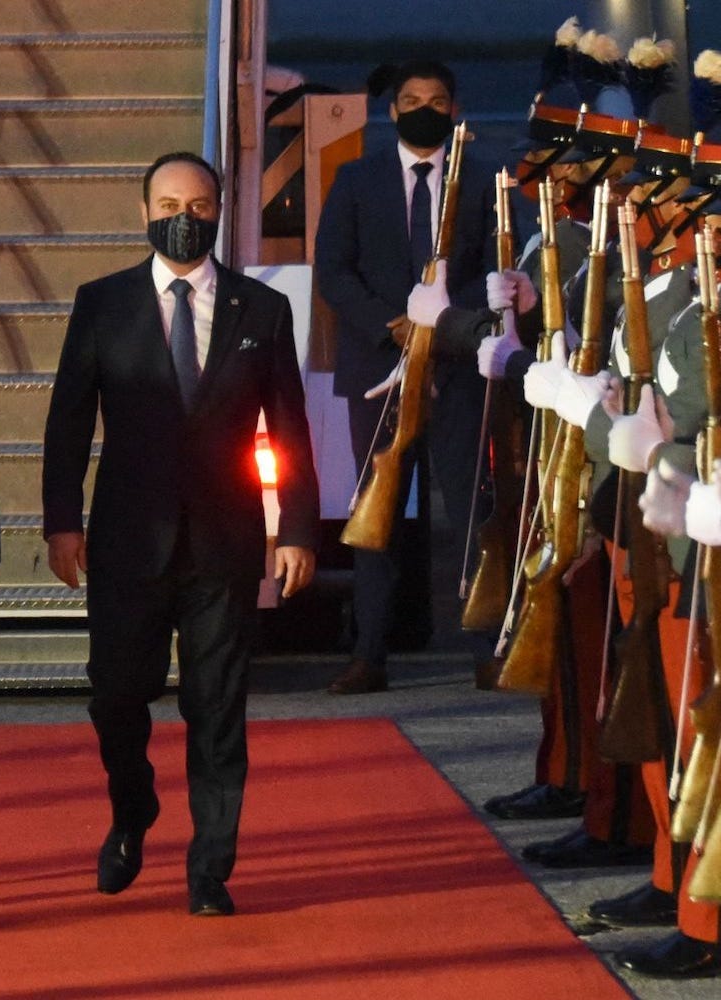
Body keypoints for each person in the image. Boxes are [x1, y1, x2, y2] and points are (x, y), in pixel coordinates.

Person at [42, 151, 319, 916]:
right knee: (117, 698)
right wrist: (62, 522)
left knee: (217, 706)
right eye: (169, 202)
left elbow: (288, 426)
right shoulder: (102, 304)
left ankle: (210, 869)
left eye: (198, 205)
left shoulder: (261, 310)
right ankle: (133, 810)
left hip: (224, 542)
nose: (183, 217)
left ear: (219, 212)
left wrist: (295, 527)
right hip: (127, 541)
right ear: (143, 211)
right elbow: (69, 423)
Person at [314, 58, 496, 694]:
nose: (425, 108)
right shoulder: (356, 179)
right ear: (392, 111)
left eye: (438, 99)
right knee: (377, 511)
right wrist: (390, 324)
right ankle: (368, 652)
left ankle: (486, 646)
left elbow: (500, 271)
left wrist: (443, 320)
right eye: (412, 98)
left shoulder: (479, 182)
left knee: (474, 513)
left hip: (459, 372)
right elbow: (333, 270)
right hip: (379, 370)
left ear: (453, 108)